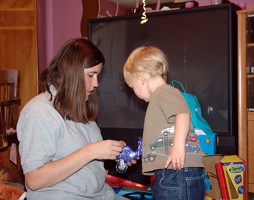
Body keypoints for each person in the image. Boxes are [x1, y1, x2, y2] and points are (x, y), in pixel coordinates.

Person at [17, 38, 133, 200]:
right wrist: (91, 151)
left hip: (101, 195)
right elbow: (34, 180)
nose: (96, 83)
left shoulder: (79, 109)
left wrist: (114, 154)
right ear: (72, 72)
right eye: (91, 75)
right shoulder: (40, 111)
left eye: (97, 75)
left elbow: (82, 163)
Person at [123, 46, 205, 200]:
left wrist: (178, 147)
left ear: (142, 79)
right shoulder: (161, 96)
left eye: (132, 87)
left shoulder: (163, 92)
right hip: (174, 173)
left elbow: (183, 114)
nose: (133, 92)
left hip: (177, 173)